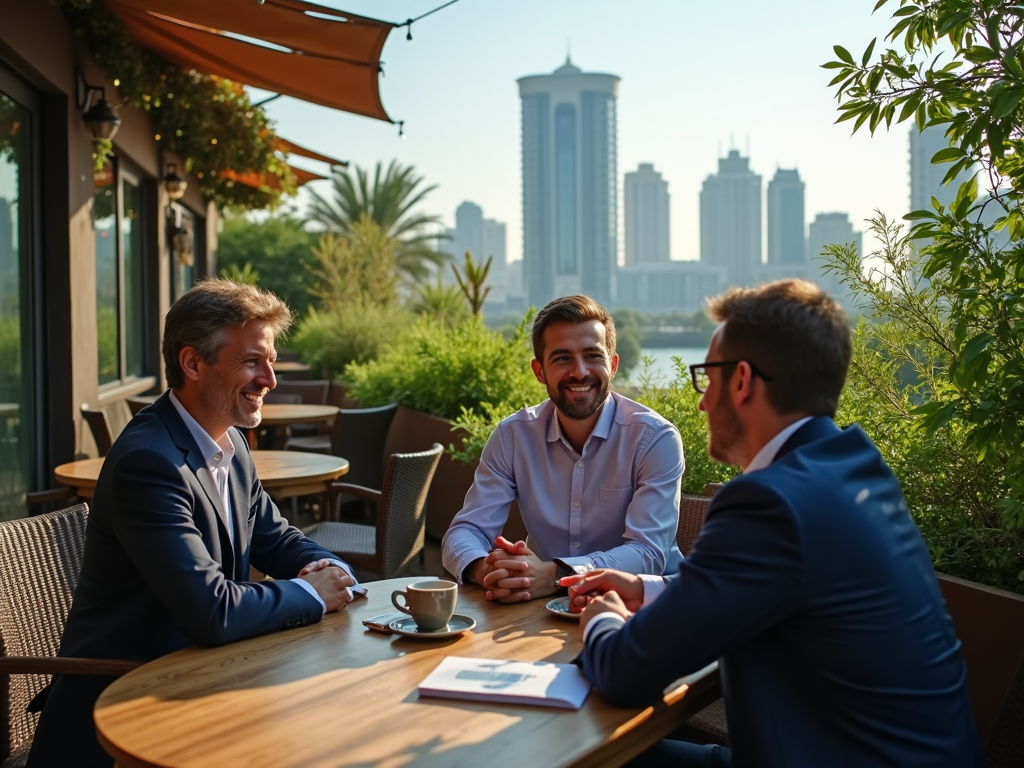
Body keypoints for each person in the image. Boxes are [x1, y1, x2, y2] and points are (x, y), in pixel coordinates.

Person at [565, 279, 982, 768]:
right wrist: (648, 588)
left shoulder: (769, 503)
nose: (701, 402)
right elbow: (778, 586)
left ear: (741, 381)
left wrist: (603, 620)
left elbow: (624, 673)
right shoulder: (854, 467)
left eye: (707, 378)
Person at [28, 280, 360, 768]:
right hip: (128, 712)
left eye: (270, 361)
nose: (269, 379)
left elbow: (274, 537)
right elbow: (212, 609)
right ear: (192, 363)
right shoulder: (150, 462)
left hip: (205, 681)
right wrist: (314, 594)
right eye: (252, 362)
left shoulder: (230, 442)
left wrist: (330, 568)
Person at [441, 294, 684, 604]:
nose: (579, 371)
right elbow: (466, 530)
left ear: (612, 365)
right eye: (562, 358)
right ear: (539, 371)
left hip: (643, 610)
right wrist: (486, 568)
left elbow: (648, 552)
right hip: (543, 606)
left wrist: (555, 574)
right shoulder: (512, 436)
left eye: (592, 355)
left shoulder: (654, 438)